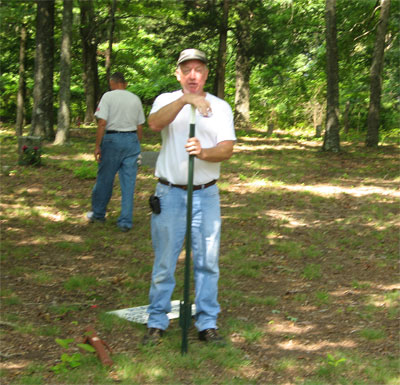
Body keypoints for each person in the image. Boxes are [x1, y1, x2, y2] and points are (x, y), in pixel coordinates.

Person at [143, 49, 236, 345]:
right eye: (187, 70)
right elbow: (154, 124)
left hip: (206, 196)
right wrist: (184, 100)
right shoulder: (165, 100)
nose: (193, 75)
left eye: (198, 69)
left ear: (206, 74)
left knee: (208, 262)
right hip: (169, 194)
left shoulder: (221, 107)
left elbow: (227, 148)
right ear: (178, 74)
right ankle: (157, 322)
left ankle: (207, 323)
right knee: (165, 262)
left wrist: (204, 152)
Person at [86, 72, 145, 232]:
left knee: (105, 178)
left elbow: (102, 123)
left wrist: (97, 145)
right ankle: (125, 221)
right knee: (128, 183)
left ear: (112, 83)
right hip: (132, 140)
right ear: (124, 84)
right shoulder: (135, 99)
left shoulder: (108, 97)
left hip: (112, 139)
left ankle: (98, 213)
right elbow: (140, 126)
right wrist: (137, 145)